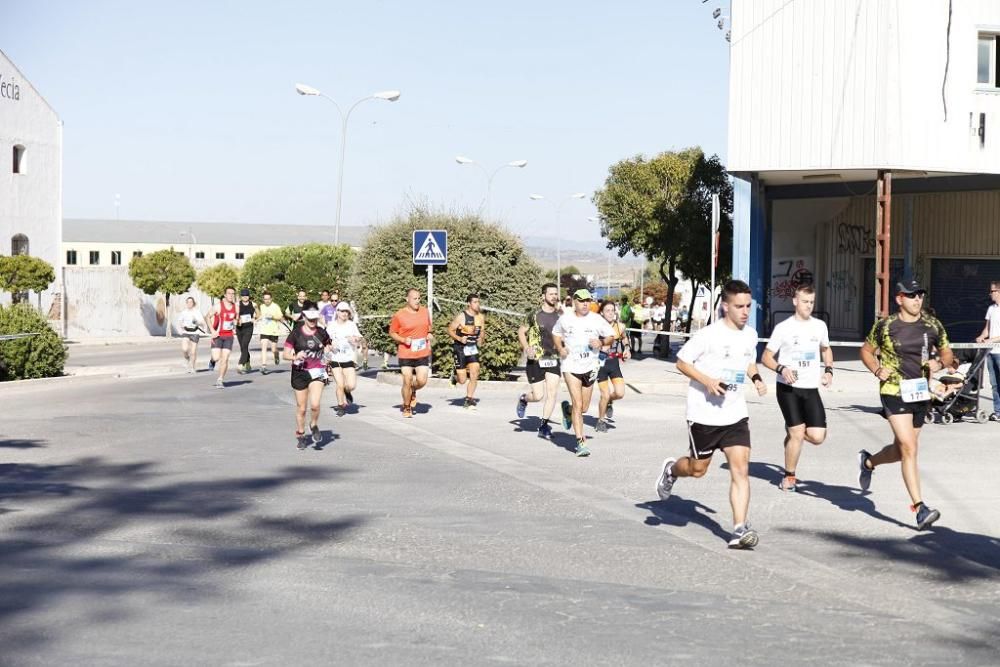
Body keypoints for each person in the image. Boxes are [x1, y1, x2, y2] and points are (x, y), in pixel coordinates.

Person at [654, 279, 767, 549]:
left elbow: (748, 360)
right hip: (704, 415)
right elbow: (682, 362)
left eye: (748, 306)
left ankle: (739, 529)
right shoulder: (709, 335)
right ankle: (671, 470)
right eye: (739, 306)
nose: (745, 311)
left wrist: (757, 377)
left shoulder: (750, 334)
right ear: (726, 306)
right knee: (697, 469)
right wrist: (707, 381)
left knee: (741, 470)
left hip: (735, 413)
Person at [859, 278, 954, 530]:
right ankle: (920, 508)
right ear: (899, 298)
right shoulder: (886, 325)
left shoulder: (932, 324)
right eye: (912, 295)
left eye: (920, 295)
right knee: (910, 448)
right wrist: (876, 369)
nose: (917, 300)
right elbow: (866, 351)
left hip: (920, 393)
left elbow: (947, 352)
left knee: (902, 450)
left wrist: (940, 363)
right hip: (893, 391)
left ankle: (869, 462)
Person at [761, 284, 834, 491]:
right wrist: (781, 368)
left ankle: (793, 431)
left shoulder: (819, 326)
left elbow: (826, 350)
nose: (808, 306)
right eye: (804, 301)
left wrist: (829, 371)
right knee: (798, 433)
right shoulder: (783, 328)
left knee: (818, 437)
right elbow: (766, 357)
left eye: (811, 302)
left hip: (810, 388)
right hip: (788, 388)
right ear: (795, 301)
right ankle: (789, 477)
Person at [552, 289, 615, 457]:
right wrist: (560, 348)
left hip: (590, 366)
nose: (585, 303)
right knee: (578, 405)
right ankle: (581, 443)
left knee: (584, 407)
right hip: (570, 366)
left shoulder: (596, 319)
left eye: (588, 300)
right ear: (574, 302)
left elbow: (611, 336)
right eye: (581, 301)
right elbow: (556, 334)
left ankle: (568, 411)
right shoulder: (565, 319)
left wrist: (601, 342)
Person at [516, 283, 563, 438]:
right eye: (551, 294)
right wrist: (526, 347)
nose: (554, 297)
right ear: (543, 296)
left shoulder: (560, 316)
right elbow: (521, 332)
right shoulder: (534, 315)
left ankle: (543, 426)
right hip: (536, 359)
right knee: (538, 396)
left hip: (553, 358)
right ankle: (524, 399)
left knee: (552, 393)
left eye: (556, 294)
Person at [284, 307, 333, 450]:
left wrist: (327, 357)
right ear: (304, 319)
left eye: (315, 319)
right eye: (310, 319)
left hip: (317, 371)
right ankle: (301, 434)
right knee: (302, 408)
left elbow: (328, 347)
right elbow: (285, 354)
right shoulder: (296, 334)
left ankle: (314, 424)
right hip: (300, 372)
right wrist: (295, 356)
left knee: (315, 404)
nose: (312, 322)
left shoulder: (321, 332)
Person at [389, 288, 434, 418]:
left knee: (422, 381)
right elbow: (392, 333)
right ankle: (407, 406)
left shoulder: (425, 312)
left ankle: (413, 390)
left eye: (419, 298)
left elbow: (429, 329)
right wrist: (403, 340)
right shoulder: (399, 315)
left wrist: (429, 335)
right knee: (407, 380)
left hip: (421, 352)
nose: (417, 301)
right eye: (414, 298)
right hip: (406, 353)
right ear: (407, 299)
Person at [595, 299, 630, 433]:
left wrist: (627, 349)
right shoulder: (596, 327)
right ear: (602, 313)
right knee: (604, 394)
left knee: (620, 393)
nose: (610, 313)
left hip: (614, 363)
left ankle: (609, 401)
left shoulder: (620, 326)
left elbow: (624, 338)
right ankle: (600, 420)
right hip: (600, 364)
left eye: (612, 310)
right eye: (607, 311)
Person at [449, 293, 486, 409]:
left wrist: (481, 338)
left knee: (475, 374)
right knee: (462, 380)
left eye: (478, 302)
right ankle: (455, 377)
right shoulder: (462, 316)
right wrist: (460, 338)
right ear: (469, 304)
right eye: (474, 302)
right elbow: (450, 330)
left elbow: (482, 331)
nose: (477, 304)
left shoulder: (480, 317)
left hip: (472, 349)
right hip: (460, 349)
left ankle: (469, 400)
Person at [326, 301, 364, 416]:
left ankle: (347, 392)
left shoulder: (351, 325)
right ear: (337, 312)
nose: (344, 313)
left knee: (351, 385)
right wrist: (328, 351)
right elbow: (325, 341)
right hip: (335, 358)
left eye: (347, 311)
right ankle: (341, 405)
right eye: (342, 311)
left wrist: (355, 339)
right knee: (340, 384)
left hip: (348, 358)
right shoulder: (331, 325)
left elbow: (359, 338)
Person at [975, 280, 1000, 421]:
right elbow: (987, 329)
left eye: (992, 291)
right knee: (995, 384)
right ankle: (998, 412)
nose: (990, 294)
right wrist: (982, 336)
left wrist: (992, 340)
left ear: (998, 292)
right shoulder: (991, 309)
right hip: (991, 352)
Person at [207, 287, 238, 388]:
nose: (231, 295)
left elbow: (236, 319)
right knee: (216, 357)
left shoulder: (236, 307)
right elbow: (207, 316)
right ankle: (212, 360)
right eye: (229, 293)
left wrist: (236, 325)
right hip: (218, 335)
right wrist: (212, 330)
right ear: (225, 295)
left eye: (233, 294)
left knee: (225, 359)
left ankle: (220, 379)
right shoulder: (218, 306)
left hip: (229, 336)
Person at [176, 297, 207, 373]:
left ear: (193, 303)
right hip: (186, 332)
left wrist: (197, 322)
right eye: (188, 302)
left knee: (193, 352)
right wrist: (180, 328)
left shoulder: (197, 312)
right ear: (186, 303)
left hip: (195, 332)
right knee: (184, 349)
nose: (189, 303)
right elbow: (180, 321)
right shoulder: (184, 312)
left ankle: (192, 367)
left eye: (191, 302)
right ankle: (186, 358)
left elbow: (203, 323)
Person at [258, 291, 285, 374]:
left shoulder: (275, 306)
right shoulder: (262, 306)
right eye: (265, 299)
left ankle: (276, 355)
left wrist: (273, 317)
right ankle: (263, 366)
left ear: (271, 299)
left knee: (274, 349)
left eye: (268, 299)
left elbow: (281, 317)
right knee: (264, 347)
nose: (266, 301)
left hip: (274, 331)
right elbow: (260, 316)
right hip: (264, 330)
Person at [234, 288, 258, 374]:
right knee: (243, 348)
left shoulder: (253, 304)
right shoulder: (237, 304)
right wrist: (237, 320)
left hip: (248, 328)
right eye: (243, 295)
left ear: (249, 296)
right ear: (241, 296)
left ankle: (240, 364)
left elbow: (259, 314)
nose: (245, 297)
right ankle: (247, 362)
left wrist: (254, 319)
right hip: (239, 328)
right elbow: (235, 314)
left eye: (246, 295)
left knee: (245, 345)